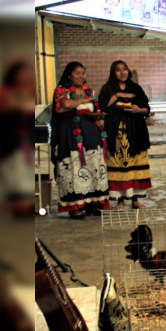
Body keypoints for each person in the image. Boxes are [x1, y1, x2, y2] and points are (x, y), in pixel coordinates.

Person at [50, 61, 109, 218]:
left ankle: (92, 203)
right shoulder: (62, 90)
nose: (81, 76)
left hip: (91, 132)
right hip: (71, 133)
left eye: (83, 73)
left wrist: (97, 115)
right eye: (78, 73)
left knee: (93, 165)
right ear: (69, 74)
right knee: (74, 167)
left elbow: (92, 108)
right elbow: (66, 104)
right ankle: (74, 207)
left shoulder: (88, 91)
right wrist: (83, 101)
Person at [98, 60, 152, 210]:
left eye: (124, 69)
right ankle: (120, 201)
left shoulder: (135, 88)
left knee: (135, 165)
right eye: (118, 70)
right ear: (113, 72)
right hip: (116, 133)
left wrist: (138, 110)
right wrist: (118, 95)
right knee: (119, 166)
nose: (122, 72)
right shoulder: (107, 88)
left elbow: (147, 108)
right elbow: (102, 106)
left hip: (135, 132)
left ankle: (135, 200)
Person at [0, 62, 35, 216]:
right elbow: (3, 108)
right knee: (14, 172)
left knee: (27, 172)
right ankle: (17, 207)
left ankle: (28, 205)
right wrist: (20, 103)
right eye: (22, 73)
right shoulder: (5, 91)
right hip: (12, 137)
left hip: (27, 138)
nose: (25, 76)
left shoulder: (29, 89)